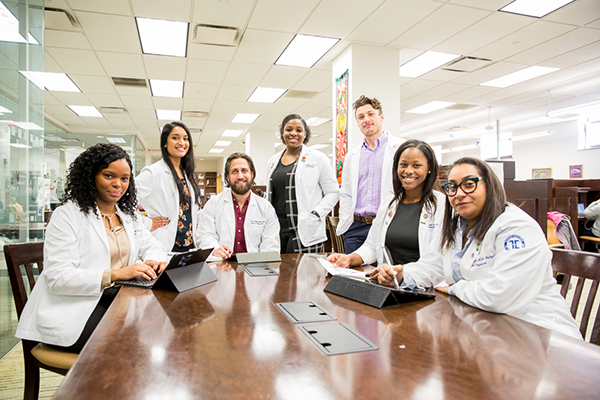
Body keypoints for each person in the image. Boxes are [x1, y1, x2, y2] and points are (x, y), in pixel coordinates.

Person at [369, 157, 582, 339]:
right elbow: (432, 265)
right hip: (484, 327)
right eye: (451, 187)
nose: (458, 193)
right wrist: (403, 273)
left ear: (490, 185)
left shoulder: (516, 228)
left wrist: (454, 288)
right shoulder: (455, 226)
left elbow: (500, 296)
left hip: (538, 332)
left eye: (469, 184)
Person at [16, 143, 167, 353]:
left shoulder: (127, 216)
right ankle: (105, 384)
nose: (118, 184)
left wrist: (155, 259)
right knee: (133, 340)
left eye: (124, 179)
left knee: (158, 325)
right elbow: (59, 278)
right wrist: (116, 274)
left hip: (111, 300)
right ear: (91, 176)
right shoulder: (67, 215)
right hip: (72, 311)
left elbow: (152, 245)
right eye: (108, 176)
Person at [328, 140, 444, 268]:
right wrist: (350, 258)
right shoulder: (389, 203)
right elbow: (372, 245)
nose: (408, 171)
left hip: (425, 283)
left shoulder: (442, 206)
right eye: (403, 165)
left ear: (429, 168)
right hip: (390, 280)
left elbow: (439, 258)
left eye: (416, 165)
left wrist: (404, 273)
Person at [337, 95, 405, 254]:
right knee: (354, 276)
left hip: (388, 224)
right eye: (361, 117)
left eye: (370, 114)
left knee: (386, 274)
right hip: (356, 228)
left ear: (381, 117)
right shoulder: (351, 156)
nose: (366, 119)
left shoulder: (401, 148)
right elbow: (346, 193)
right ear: (358, 123)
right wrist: (345, 222)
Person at [266, 114, 339, 253]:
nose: (293, 133)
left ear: (305, 134)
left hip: (305, 230)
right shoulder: (273, 161)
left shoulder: (318, 158)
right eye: (289, 129)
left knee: (307, 274)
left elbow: (333, 192)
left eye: (299, 130)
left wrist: (316, 213)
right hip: (277, 231)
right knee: (279, 273)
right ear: (282, 133)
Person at [136, 121, 203, 252]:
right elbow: (123, 201)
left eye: (185, 139)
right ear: (165, 143)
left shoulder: (187, 175)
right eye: (175, 138)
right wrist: (147, 222)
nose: (182, 143)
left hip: (189, 247)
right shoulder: (153, 172)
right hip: (164, 245)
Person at [199, 152, 280, 259]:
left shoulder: (266, 208)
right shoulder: (213, 204)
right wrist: (215, 250)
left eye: (244, 171)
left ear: (252, 174)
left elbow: (271, 246)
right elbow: (205, 236)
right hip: (222, 265)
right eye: (234, 171)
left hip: (256, 266)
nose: (240, 176)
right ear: (227, 177)